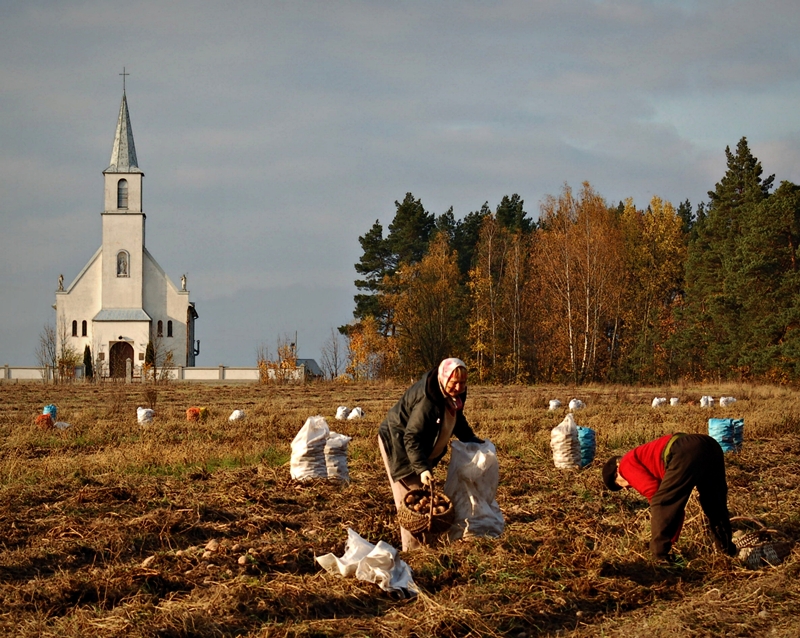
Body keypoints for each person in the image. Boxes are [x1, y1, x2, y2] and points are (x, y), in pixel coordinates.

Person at [378, 357, 482, 551]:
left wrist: (473, 440)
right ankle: (414, 552)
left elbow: (457, 419)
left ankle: (427, 544)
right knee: (411, 500)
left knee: (425, 498)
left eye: (463, 382)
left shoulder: (454, 394)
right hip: (399, 445)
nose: (459, 387)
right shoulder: (428, 400)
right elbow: (411, 438)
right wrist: (422, 469)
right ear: (444, 378)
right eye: (454, 382)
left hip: (419, 449)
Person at [602, 433, 738, 563]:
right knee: (714, 502)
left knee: (661, 502)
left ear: (617, 471)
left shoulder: (625, 465)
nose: (625, 488)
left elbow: (657, 497)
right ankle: (726, 550)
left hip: (685, 451)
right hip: (710, 445)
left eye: (619, 484)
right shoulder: (641, 455)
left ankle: (659, 557)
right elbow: (675, 506)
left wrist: (664, 539)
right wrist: (672, 535)